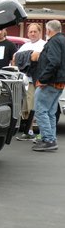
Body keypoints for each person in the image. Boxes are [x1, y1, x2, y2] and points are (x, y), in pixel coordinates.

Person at [31, 20, 65, 152]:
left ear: (48, 31)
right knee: (50, 112)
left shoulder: (54, 41)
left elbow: (54, 62)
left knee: (41, 110)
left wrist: (43, 79)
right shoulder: (62, 40)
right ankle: (51, 138)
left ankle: (48, 139)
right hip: (59, 82)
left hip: (50, 82)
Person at [14, 23, 46, 140]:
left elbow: (37, 57)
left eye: (35, 31)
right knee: (27, 108)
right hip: (25, 81)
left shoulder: (43, 44)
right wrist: (29, 56)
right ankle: (29, 131)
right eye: (30, 32)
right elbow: (15, 58)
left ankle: (42, 133)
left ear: (40, 32)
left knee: (38, 107)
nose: (32, 34)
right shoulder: (25, 45)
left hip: (38, 81)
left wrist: (25, 57)